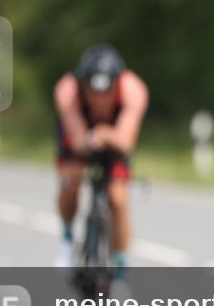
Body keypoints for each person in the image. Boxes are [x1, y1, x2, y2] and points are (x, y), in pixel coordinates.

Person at [52, 44, 149, 279]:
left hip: (115, 139)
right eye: (92, 92)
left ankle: (120, 272)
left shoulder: (134, 89)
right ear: (82, 85)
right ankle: (66, 242)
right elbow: (76, 141)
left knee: (117, 199)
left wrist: (105, 135)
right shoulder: (67, 91)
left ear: (117, 84)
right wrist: (92, 138)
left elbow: (125, 141)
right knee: (71, 181)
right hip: (81, 137)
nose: (99, 100)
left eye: (106, 93)